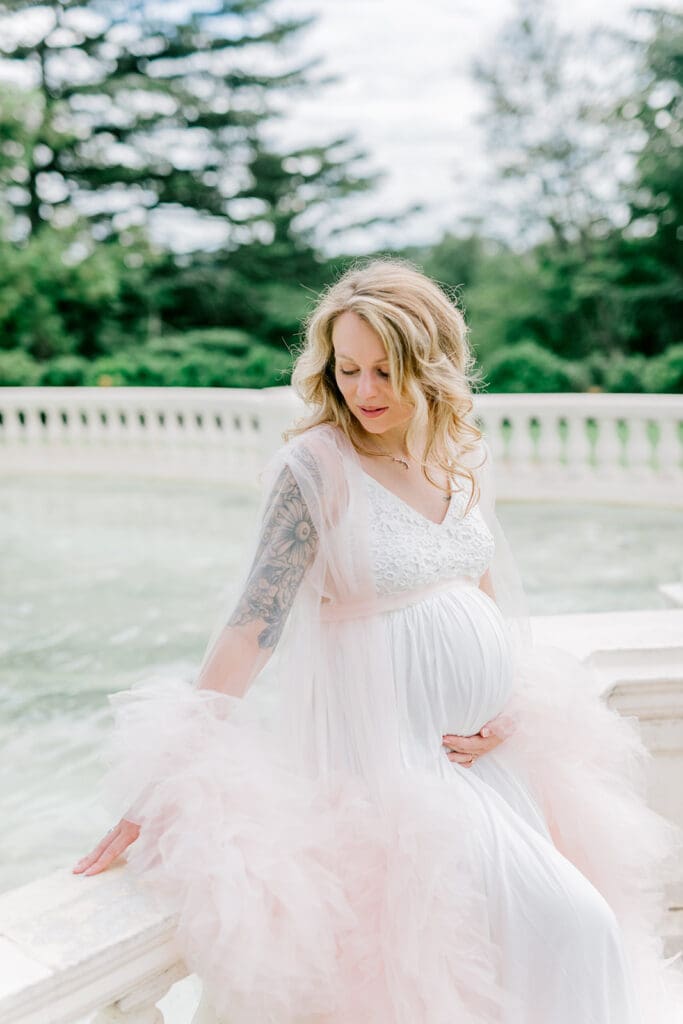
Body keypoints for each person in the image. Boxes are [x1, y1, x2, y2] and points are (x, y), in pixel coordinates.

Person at [73, 259, 683, 1024]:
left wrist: (510, 709)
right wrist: (165, 776)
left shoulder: (454, 455)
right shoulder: (314, 468)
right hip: (386, 768)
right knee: (560, 928)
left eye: (385, 371)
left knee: (560, 939)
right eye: (349, 369)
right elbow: (252, 623)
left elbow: (478, 591)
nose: (365, 392)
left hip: (479, 764)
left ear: (431, 367)